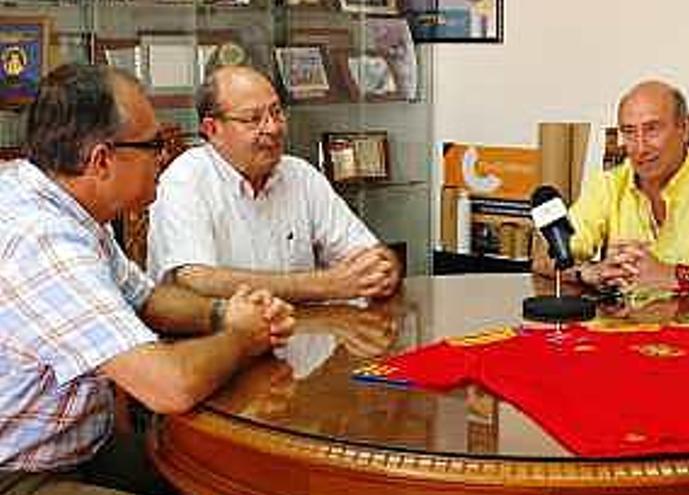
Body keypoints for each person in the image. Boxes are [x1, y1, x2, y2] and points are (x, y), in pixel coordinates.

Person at [0, 64, 295, 494]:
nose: (165, 156)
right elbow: (168, 386)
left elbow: (147, 300)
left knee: (231, 478)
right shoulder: (41, 239)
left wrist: (225, 312)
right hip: (19, 473)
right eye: (154, 144)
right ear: (101, 160)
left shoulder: (71, 208)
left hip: (80, 448)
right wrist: (241, 337)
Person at [147, 65, 400, 303]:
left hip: (303, 335)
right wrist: (326, 284)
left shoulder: (300, 174)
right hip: (215, 342)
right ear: (212, 129)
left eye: (276, 112)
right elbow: (196, 281)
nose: (273, 128)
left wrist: (383, 268)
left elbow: (372, 254)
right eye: (253, 119)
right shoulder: (185, 179)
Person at [533, 80, 689, 293]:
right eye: (629, 132)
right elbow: (544, 256)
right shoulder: (607, 184)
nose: (640, 148)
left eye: (652, 129)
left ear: (684, 128)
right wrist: (589, 272)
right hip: (624, 331)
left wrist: (675, 275)